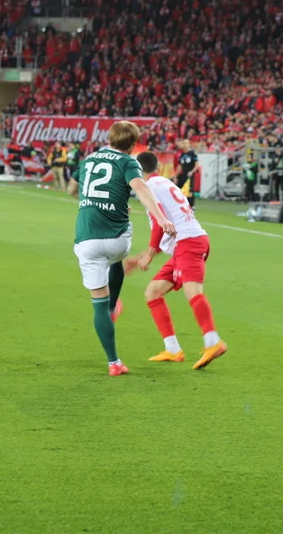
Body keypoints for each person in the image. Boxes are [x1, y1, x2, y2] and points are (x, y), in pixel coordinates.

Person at [73, 122, 175, 376]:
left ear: (109, 137)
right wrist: (161, 219)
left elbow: (72, 189)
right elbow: (140, 188)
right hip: (118, 239)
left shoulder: (89, 160)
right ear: (133, 144)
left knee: (98, 304)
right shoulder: (129, 162)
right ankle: (113, 304)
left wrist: (93, 202)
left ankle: (113, 362)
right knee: (115, 255)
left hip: (86, 239)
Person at [132, 151, 226, 370]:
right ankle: (173, 349)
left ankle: (213, 342)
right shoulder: (165, 183)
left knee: (193, 291)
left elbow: (159, 222)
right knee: (153, 292)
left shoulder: (149, 188)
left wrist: (150, 252)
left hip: (189, 243)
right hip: (186, 243)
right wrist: (144, 255)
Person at [176, 139, 199, 208]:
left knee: (190, 191)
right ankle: (184, 205)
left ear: (189, 144)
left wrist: (192, 172)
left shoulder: (192, 154)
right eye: (183, 143)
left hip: (190, 175)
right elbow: (179, 166)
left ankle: (192, 206)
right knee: (182, 190)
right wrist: (175, 176)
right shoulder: (182, 155)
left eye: (186, 143)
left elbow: (197, 165)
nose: (185, 144)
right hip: (183, 174)